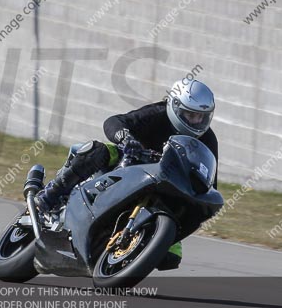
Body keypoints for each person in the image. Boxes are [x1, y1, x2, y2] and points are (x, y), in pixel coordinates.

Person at [35, 79, 218, 271]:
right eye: (190, 114)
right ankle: (51, 195)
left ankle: (130, 247)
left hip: (166, 189)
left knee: (171, 257)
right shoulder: (157, 113)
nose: (196, 121)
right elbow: (115, 122)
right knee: (99, 151)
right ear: (175, 106)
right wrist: (126, 138)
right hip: (131, 162)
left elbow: (209, 182)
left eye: (201, 117)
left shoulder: (208, 140)